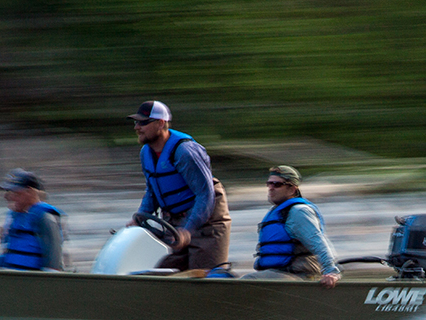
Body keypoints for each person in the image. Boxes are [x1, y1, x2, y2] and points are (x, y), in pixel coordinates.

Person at [127, 100, 231, 271]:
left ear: (161, 123)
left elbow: (205, 194)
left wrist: (188, 230)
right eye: (136, 122)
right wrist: (138, 218)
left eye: (143, 122)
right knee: (165, 269)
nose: (137, 127)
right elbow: (152, 192)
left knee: (202, 275)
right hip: (176, 222)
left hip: (207, 222)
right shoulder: (145, 153)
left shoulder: (185, 152)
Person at [246, 165, 341, 287]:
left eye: (277, 184)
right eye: (269, 184)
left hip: (299, 276)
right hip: (277, 274)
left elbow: (319, 243)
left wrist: (331, 271)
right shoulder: (278, 212)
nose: (271, 188)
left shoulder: (298, 212)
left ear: (292, 189)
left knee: (249, 280)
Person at [0, 169, 65, 271]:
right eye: (6, 191)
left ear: (29, 192)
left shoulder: (45, 217)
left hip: (31, 280)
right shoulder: (13, 217)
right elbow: (7, 252)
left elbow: (54, 264)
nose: (7, 197)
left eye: (13, 192)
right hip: (11, 277)